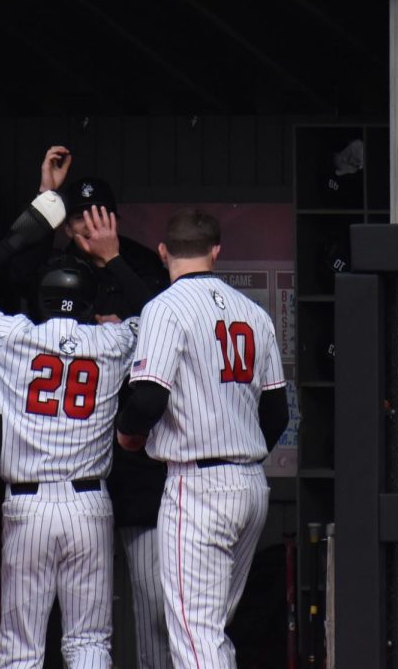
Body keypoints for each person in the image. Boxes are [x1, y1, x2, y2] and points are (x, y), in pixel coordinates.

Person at [0, 189, 140, 669]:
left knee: (21, 649)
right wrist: (114, 259)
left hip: (27, 506)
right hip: (89, 505)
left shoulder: (13, 336)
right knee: (88, 643)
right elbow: (161, 314)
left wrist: (16, 241)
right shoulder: (113, 340)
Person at [116, 208, 289, 669]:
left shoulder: (164, 307)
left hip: (199, 486)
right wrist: (241, 456)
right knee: (211, 631)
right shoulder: (254, 312)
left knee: (195, 634)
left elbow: (148, 398)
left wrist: (127, 435)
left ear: (163, 252)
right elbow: (276, 414)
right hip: (250, 484)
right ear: (216, 252)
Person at [31, 147, 172, 669]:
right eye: (78, 218)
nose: (88, 227)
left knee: (153, 600)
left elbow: (167, 325)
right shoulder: (50, 268)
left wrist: (114, 267)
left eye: (99, 216)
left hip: (134, 451)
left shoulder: (139, 263)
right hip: (68, 459)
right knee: (59, 610)